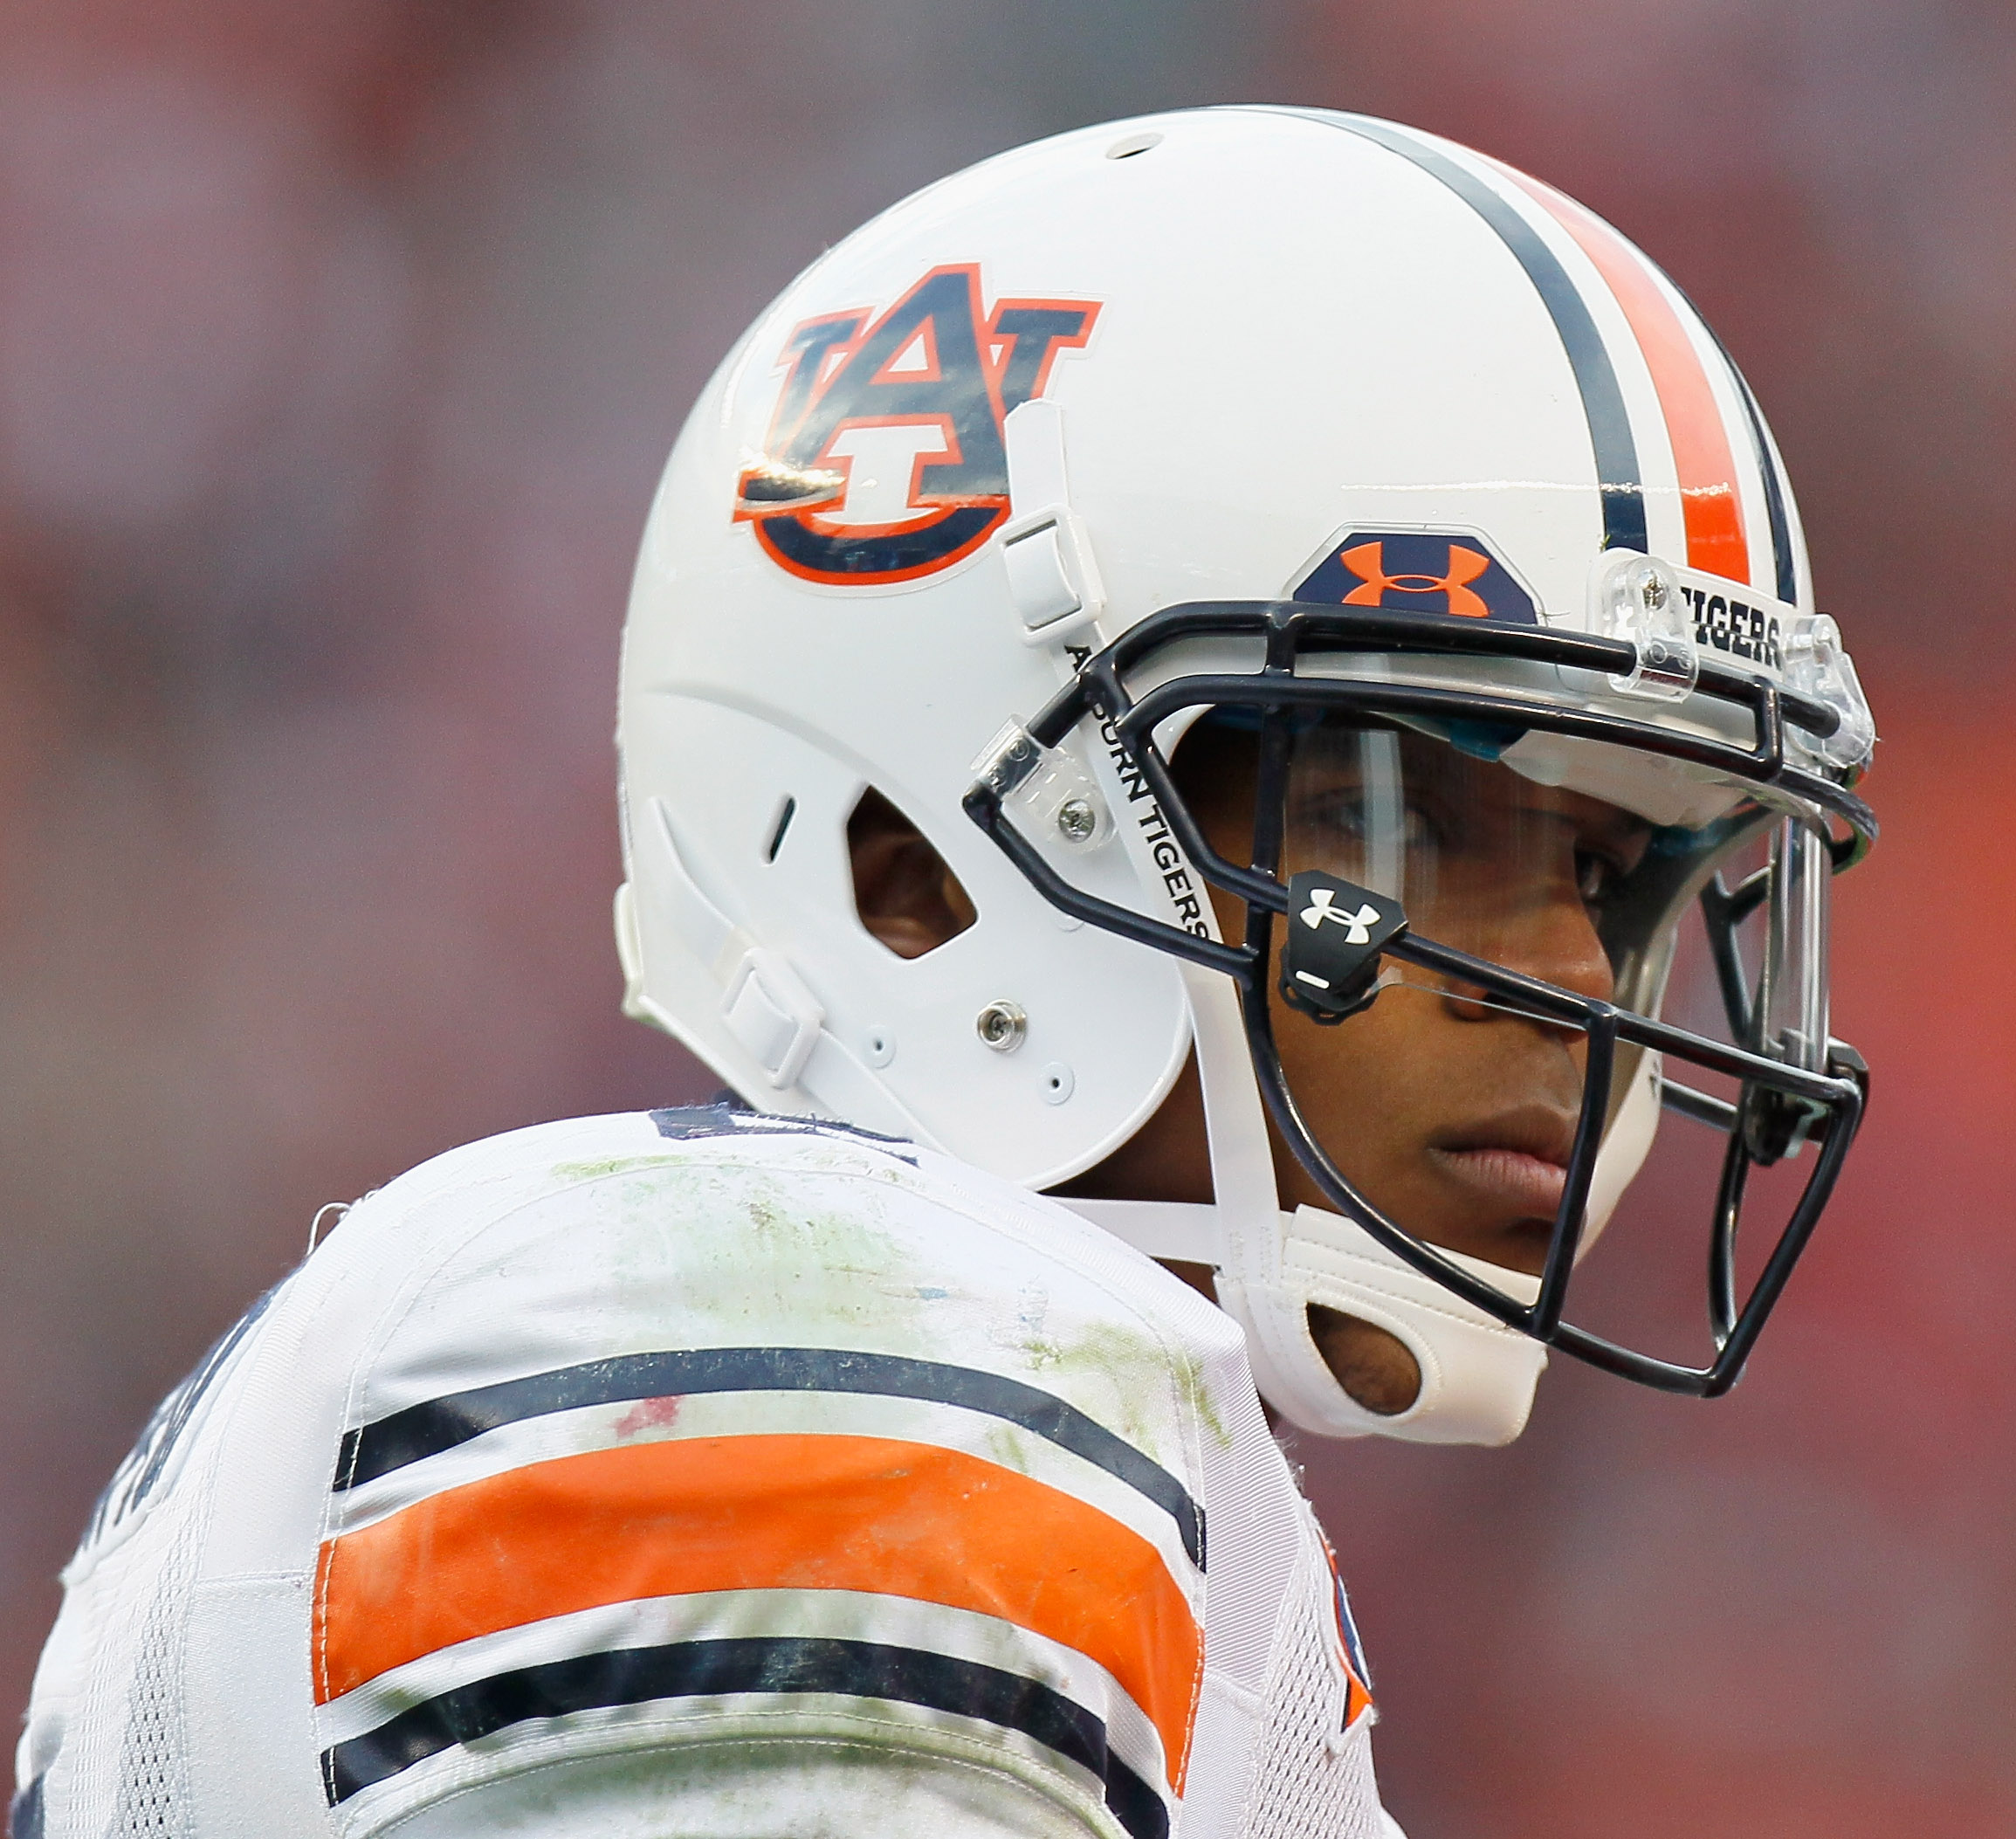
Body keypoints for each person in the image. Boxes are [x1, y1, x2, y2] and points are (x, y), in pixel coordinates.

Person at [13, 107, 1875, 1839]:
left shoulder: (1050, 1420)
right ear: (908, 874)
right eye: (1400, 820)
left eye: (1610, 872)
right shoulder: (807, 1349)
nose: (1562, 968)